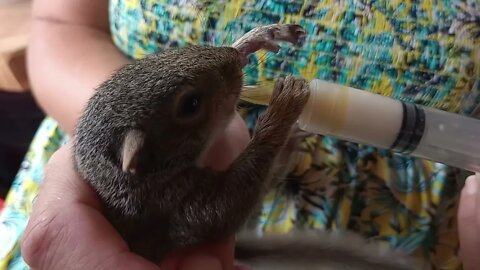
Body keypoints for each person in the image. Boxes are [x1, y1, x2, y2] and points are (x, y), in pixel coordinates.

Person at [0, 0, 479, 269]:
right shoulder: (157, 168)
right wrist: (265, 131)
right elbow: (61, 22)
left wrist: (232, 104)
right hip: (90, 227)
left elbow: (220, 68)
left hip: (425, 190)